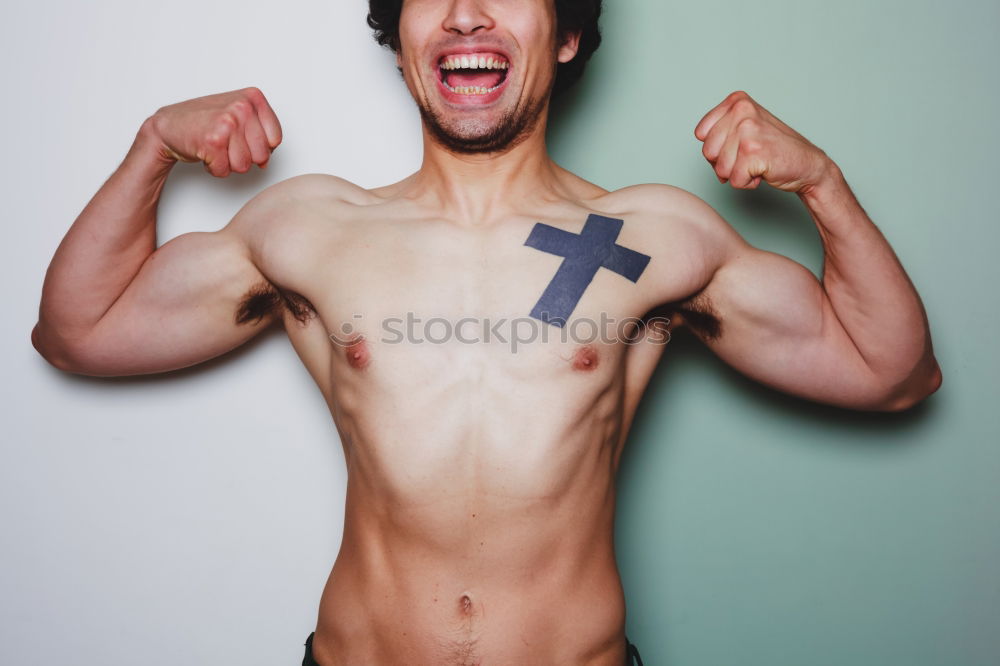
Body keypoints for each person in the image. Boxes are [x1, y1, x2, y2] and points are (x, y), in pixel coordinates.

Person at [30, 0, 941, 664]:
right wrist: (152, 145)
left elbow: (889, 372)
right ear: (402, 43)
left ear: (569, 33)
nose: (465, 13)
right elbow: (79, 332)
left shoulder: (654, 236)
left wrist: (821, 181)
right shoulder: (310, 227)